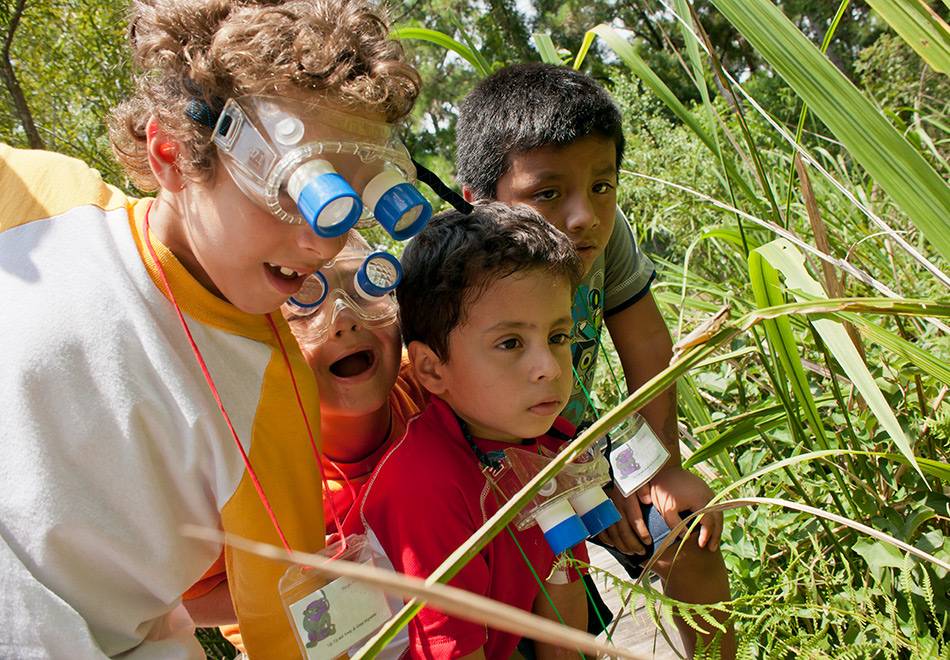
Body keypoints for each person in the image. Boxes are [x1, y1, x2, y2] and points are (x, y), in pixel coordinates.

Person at [0, 0, 422, 657]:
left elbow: (286, 629)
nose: (325, 237)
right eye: (299, 191)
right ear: (170, 152)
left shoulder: (272, 398)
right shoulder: (33, 243)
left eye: (357, 197)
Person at [455, 62, 735, 657]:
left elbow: (648, 348)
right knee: (557, 605)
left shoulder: (604, 238)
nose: (585, 216)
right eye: (548, 193)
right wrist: (574, 492)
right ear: (478, 203)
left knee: (686, 536)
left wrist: (654, 470)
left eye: (602, 186)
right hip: (491, 473)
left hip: (581, 435)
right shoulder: (450, 271)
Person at [342, 202, 594, 659]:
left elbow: (563, 594)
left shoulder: (549, 442)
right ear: (430, 369)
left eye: (558, 337)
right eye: (510, 343)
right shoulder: (425, 488)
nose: (548, 368)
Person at [184, 232, 429, 651]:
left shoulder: (433, 391)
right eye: (303, 308)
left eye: (364, 288)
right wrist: (316, 593)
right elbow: (189, 600)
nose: (344, 320)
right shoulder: (240, 470)